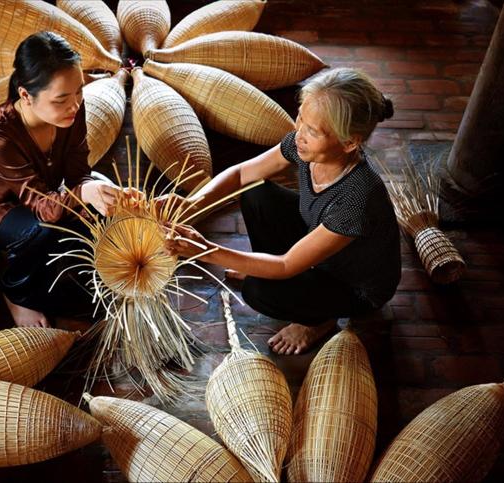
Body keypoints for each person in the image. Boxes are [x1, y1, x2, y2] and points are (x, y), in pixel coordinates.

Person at [163, 67, 401, 355]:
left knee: (260, 291)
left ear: (350, 142)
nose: (299, 133)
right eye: (300, 118)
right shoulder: (303, 145)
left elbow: (287, 265)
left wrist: (204, 250)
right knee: (255, 190)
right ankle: (263, 268)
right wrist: (192, 203)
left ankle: (318, 321)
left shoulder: (356, 198)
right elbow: (241, 175)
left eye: (312, 131)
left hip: (353, 286)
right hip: (320, 243)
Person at [0, 31, 121, 328]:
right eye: (61, 99)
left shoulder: (72, 110)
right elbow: (43, 206)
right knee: (45, 230)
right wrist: (84, 193)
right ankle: (16, 291)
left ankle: (52, 261)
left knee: (105, 194)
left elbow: (77, 173)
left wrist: (95, 190)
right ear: (25, 95)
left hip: (47, 196)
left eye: (79, 92)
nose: (74, 105)